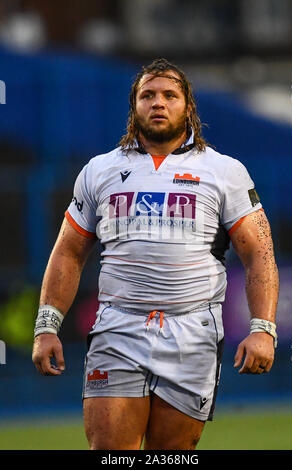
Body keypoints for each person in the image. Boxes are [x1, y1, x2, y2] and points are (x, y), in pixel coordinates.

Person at [32, 58, 279, 450]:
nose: (158, 103)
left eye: (169, 95)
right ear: (135, 107)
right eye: (147, 95)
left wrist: (262, 329)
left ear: (188, 107)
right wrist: (46, 326)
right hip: (118, 328)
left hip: (193, 331)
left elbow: (260, 254)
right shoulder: (100, 170)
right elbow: (68, 252)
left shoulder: (224, 171)